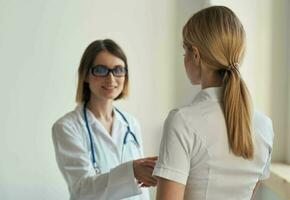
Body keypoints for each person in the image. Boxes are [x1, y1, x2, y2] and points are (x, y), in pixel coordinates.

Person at [153, 6, 274, 200]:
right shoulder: (264, 126)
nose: (184, 57)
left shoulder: (182, 121)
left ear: (196, 54)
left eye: (184, 49)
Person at [52, 39, 157, 200]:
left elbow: (143, 191)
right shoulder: (67, 127)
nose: (111, 78)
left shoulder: (131, 124)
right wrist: (132, 171)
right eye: (101, 70)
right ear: (86, 75)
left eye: (118, 70)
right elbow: (82, 189)